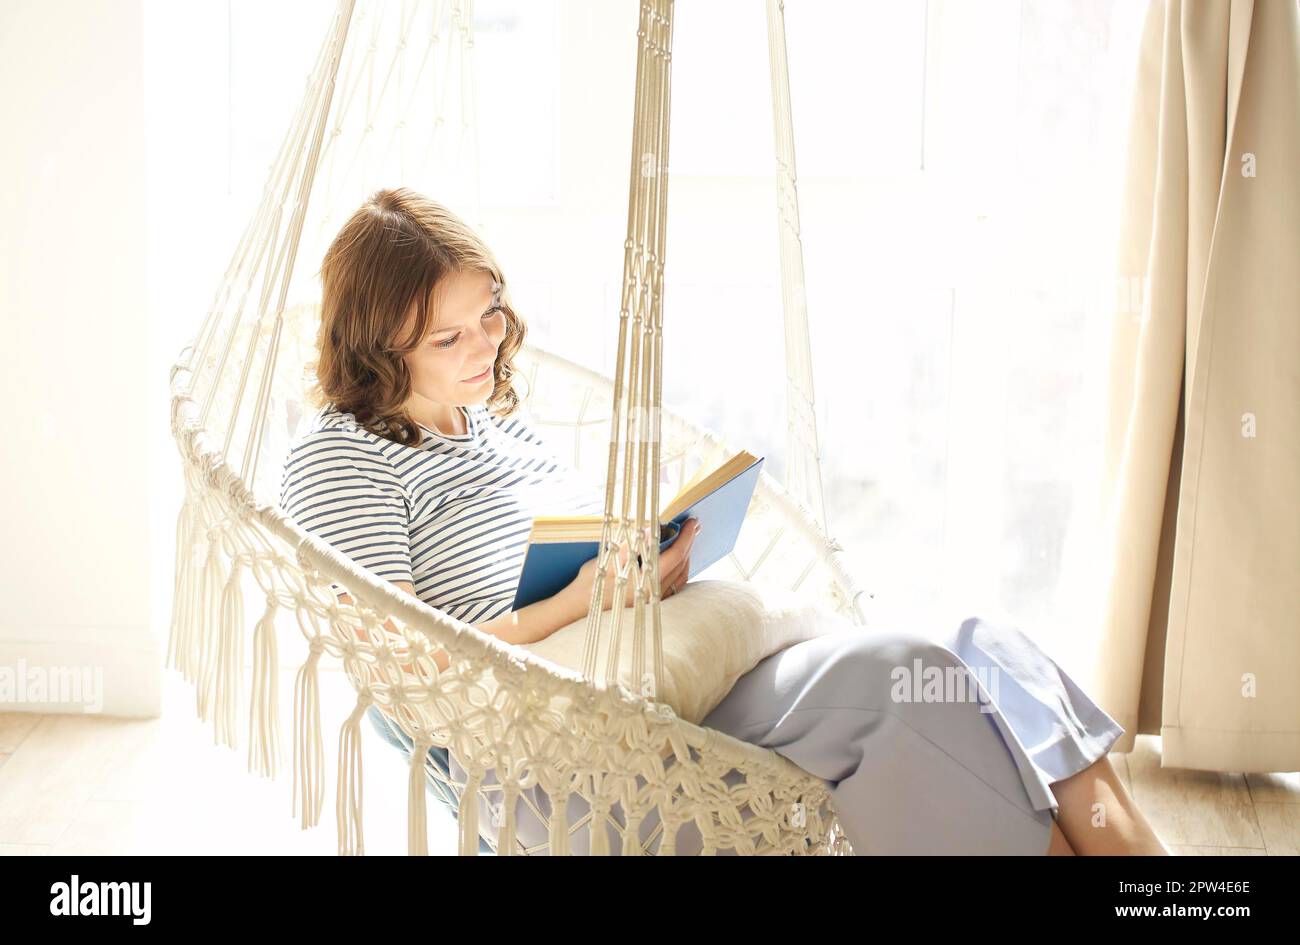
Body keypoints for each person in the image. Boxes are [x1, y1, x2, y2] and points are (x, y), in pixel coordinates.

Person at [279, 187, 1170, 856]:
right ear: (372, 344)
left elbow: (565, 560)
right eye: (449, 338)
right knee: (906, 681)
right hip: (562, 750)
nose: (488, 346)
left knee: (987, 645)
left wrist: (645, 563)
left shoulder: (498, 426)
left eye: (490, 314)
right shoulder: (340, 458)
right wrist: (583, 602)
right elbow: (407, 664)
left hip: (665, 678)